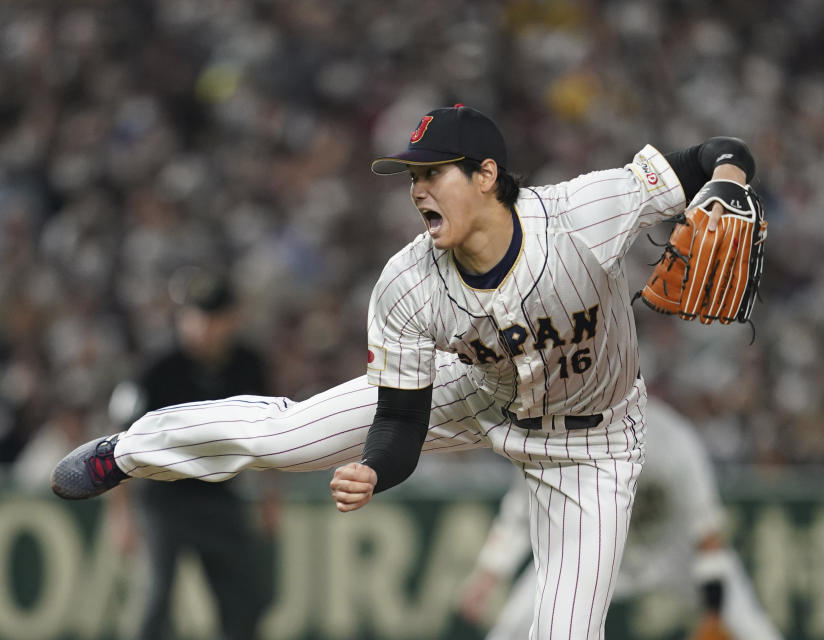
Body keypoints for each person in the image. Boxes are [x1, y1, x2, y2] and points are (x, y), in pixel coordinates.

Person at [51, 104, 758, 639]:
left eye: (434, 173)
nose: (418, 189)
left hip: (593, 448)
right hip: (480, 395)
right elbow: (398, 421)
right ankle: (131, 450)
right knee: (283, 438)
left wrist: (727, 180)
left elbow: (720, 152)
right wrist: (376, 471)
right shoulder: (406, 283)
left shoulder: (584, 212)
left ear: (486, 177)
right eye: (412, 176)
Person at [457, 398, 783, 640]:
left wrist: (713, 612)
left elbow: (707, 532)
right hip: (596, 550)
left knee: (752, 627)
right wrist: (488, 575)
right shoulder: (554, 434)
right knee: (514, 626)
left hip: (672, 550)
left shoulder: (672, 438)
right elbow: (520, 513)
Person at [106, 272, 277, 640]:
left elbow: (273, 434)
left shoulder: (249, 364)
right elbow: (120, 443)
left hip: (221, 496)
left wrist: (269, 498)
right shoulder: (157, 368)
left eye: (213, 316)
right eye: (196, 315)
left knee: (246, 601)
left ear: (233, 319)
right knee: (155, 600)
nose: (204, 326)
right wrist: (121, 514)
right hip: (163, 499)